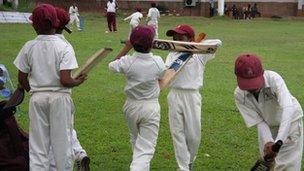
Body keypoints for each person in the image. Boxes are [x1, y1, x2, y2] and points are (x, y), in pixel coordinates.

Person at [13, 4, 86, 171]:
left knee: (38, 146)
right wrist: (78, 81)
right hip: (60, 98)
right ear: (55, 23)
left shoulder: (29, 46)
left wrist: (32, 91)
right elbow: (66, 80)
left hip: (37, 99)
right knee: (62, 144)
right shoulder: (64, 46)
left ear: (33, 25)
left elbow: (21, 77)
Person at [108, 26, 165, 171]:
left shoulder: (127, 61)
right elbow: (162, 75)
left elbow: (111, 66)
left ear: (133, 43)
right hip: (150, 108)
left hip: (131, 107)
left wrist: (127, 48)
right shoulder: (158, 62)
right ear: (151, 43)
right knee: (146, 148)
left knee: (136, 141)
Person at [234, 54, 303, 171]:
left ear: (262, 72)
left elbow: (287, 108)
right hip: (268, 127)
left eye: (254, 81)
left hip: (290, 123)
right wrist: (268, 141)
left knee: (287, 167)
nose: (251, 87)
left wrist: (278, 142)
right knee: (270, 165)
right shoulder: (239, 95)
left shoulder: (273, 79)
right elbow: (259, 121)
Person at [164, 24, 216, 171]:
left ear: (190, 38)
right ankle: (183, 167)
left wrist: (193, 47)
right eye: (175, 36)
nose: (177, 39)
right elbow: (166, 71)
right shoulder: (172, 54)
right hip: (174, 95)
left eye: (181, 36)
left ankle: (189, 161)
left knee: (194, 136)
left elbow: (218, 42)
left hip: (192, 96)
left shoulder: (200, 55)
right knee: (177, 133)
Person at [54, 7, 90, 171]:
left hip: (52, 96)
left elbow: (65, 79)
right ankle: (79, 154)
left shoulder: (46, 45)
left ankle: (69, 159)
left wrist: (76, 81)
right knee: (66, 128)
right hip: (63, 97)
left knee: (55, 135)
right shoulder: (65, 44)